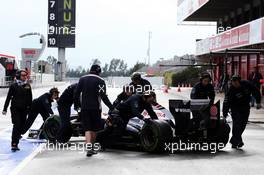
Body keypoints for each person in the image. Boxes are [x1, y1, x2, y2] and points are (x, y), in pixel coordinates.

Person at [74, 64, 114, 157]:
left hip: (84, 108)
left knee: (87, 128)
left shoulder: (82, 79)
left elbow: (76, 93)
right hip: (96, 108)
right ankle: (91, 147)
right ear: (99, 71)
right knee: (95, 128)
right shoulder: (100, 80)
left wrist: (77, 106)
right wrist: (111, 107)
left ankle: (88, 148)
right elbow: (103, 96)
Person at [223, 75, 262, 149]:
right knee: (237, 124)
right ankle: (237, 141)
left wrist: (258, 102)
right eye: (233, 82)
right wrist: (225, 113)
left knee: (243, 125)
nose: (234, 84)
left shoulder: (247, 84)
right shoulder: (231, 90)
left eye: (236, 82)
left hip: (245, 107)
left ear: (239, 81)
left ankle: (235, 140)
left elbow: (255, 91)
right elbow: (226, 102)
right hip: (235, 108)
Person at [2, 70, 32, 151]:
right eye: (23, 75)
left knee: (22, 126)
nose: (25, 76)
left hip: (24, 109)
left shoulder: (27, 86)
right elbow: (8, 98)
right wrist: (5, 109)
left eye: (26, 75)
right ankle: (14, 144)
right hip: (15, 109)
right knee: (17, 124)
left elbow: (30, 99)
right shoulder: (13, 86)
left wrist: (30, 109)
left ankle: (17, 135)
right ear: (18, 76)